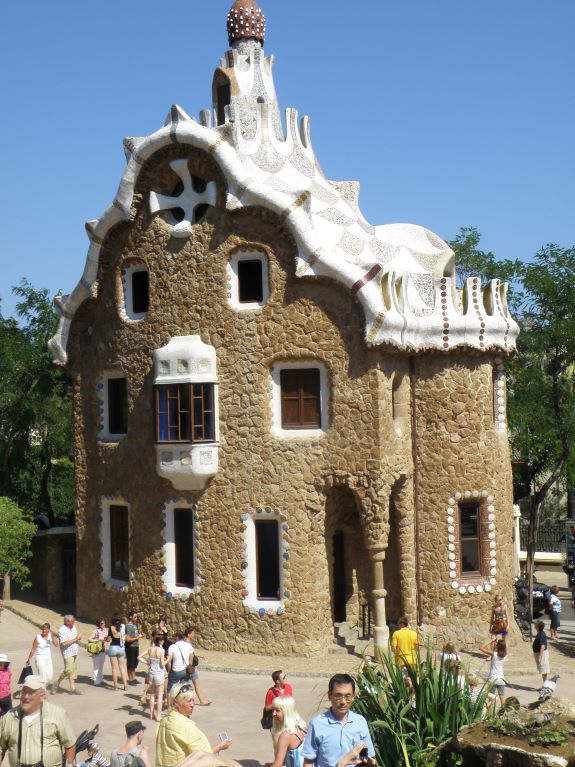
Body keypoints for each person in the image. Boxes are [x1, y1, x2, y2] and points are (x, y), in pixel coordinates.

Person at [0, 674, 76, 767]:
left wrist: (69, 764)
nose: (25, 697)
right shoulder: (9, 717)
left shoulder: (58, 714)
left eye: (31, 693)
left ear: (42, 696)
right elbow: (1, 748)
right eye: (24, 692)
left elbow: (69, 743)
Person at [302, 674, 375, 767]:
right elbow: (308, 761)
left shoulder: (360, 722)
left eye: (347, 696)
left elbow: (367, 757)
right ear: (330, 695)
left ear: (353, 696)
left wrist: (369, 762)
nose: (343, 702)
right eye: (338, 696)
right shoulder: (317, 724)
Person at [155, 683, 234, 767]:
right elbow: (205, 756)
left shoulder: (164, 720)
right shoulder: (185, 726)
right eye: (188, 701)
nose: (192, 705)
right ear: (176, 703)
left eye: (193, 700)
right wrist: (220, 746)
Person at [268, 696, 306, 767]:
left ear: (287, 712)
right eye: (273, 710)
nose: (273, 713)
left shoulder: (286, 736)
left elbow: (278, 765)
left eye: (277, 710)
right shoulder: (301, 727)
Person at [138, 634, 167, 721]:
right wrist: (168, 659)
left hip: (151, 673)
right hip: (159, 673)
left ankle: (151, 714)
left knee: (152, 694)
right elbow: (162, 664)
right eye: (162, 640)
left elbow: (139, 657)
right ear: (160, 641)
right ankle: (158, 715)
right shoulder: (161, 650)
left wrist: (147, 662)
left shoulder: (150, 649)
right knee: (160, 695)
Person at [55, 615, 82, 694]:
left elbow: (75, 638)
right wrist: (76, 639)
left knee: (73, 670)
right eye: (72, 621)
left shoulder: (74, 627)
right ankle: (57, 683)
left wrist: (78, 638)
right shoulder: (62, 630)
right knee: (68, 670)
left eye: (74, 620)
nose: (74, 622)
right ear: (67, 622)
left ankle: (72, 689)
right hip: (67, 652)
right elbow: (63, 644)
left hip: (74, 651)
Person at [27, 623, 58, 691]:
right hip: (40, 659)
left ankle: (39, 686)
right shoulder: (38, 637)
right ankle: (41, 691)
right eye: (43, 629)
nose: (43, 631)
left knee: (49, 677)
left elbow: (56, 644)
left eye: (45, 629)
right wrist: (29, 659)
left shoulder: (50, 636)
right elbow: (33, 649)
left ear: (49, 630)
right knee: (42, 676)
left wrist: (52, 636)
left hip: (48, 659)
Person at [479, 638, 507, 707]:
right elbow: (504, 647)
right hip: (501, 679)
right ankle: (504, 712)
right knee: (502, 697)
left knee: (491, 698)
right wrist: (498, 644)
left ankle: (490, 714)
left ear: (497, 646)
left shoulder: (494, 654)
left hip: (493, 679)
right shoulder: (504, 655)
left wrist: (491, 640)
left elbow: (481, 648)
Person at [108, 616, 128, 691]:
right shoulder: (123, 627)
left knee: (114, 668)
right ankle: (125, 685)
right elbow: (125, 638)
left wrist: (106, 638)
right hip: (121, 647)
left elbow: (108, 639)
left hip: (113, 646)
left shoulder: (111, 628)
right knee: (122, 667)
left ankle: (115, 686)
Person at [88, 618, 109, 686]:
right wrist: (97, 640)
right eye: (102, 623)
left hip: (103, 650)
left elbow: (107, 640)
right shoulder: (95, 631)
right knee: (96, 666)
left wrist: (107, 639)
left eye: (104, 623)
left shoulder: (105, 630)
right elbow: (89, 639)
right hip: (96, 650)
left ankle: (101, 679)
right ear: (99, 624)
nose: (104, 624)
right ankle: (96, 681)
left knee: (101, 666)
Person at [125, 610, 144, 684]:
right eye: (135, 617)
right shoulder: (128, 626)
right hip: (130, 647)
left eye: (137, 617)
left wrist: (140, 635)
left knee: (135, 662)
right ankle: (130, 679)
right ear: (130, 617)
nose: (136, 618)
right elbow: (128, 639)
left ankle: (133, 677)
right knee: (130, 663)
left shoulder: (135, 625)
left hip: (136, 646)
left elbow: (135, 635)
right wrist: (137, 637)